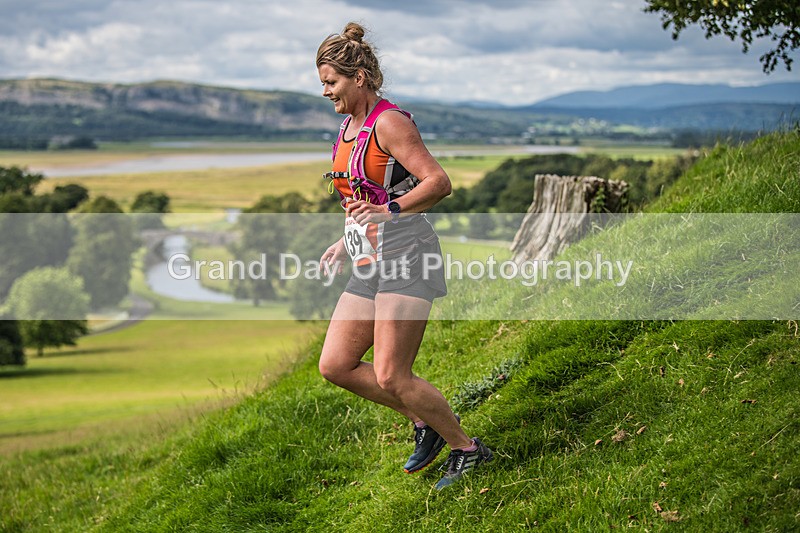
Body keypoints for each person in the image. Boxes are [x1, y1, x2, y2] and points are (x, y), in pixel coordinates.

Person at [316, 22, 493, 490]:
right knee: (335, 364)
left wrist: (388, 210)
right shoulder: (346, 129)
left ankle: (466, 448)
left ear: (359, 77)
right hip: (370, 259)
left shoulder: (389, 124)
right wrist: (345, 237)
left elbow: (439, 182)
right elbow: (360, 197)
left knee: (391, 372)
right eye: (323, 84)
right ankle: (424, 422)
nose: (326, 92)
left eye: (331, 82)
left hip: (409, 254)